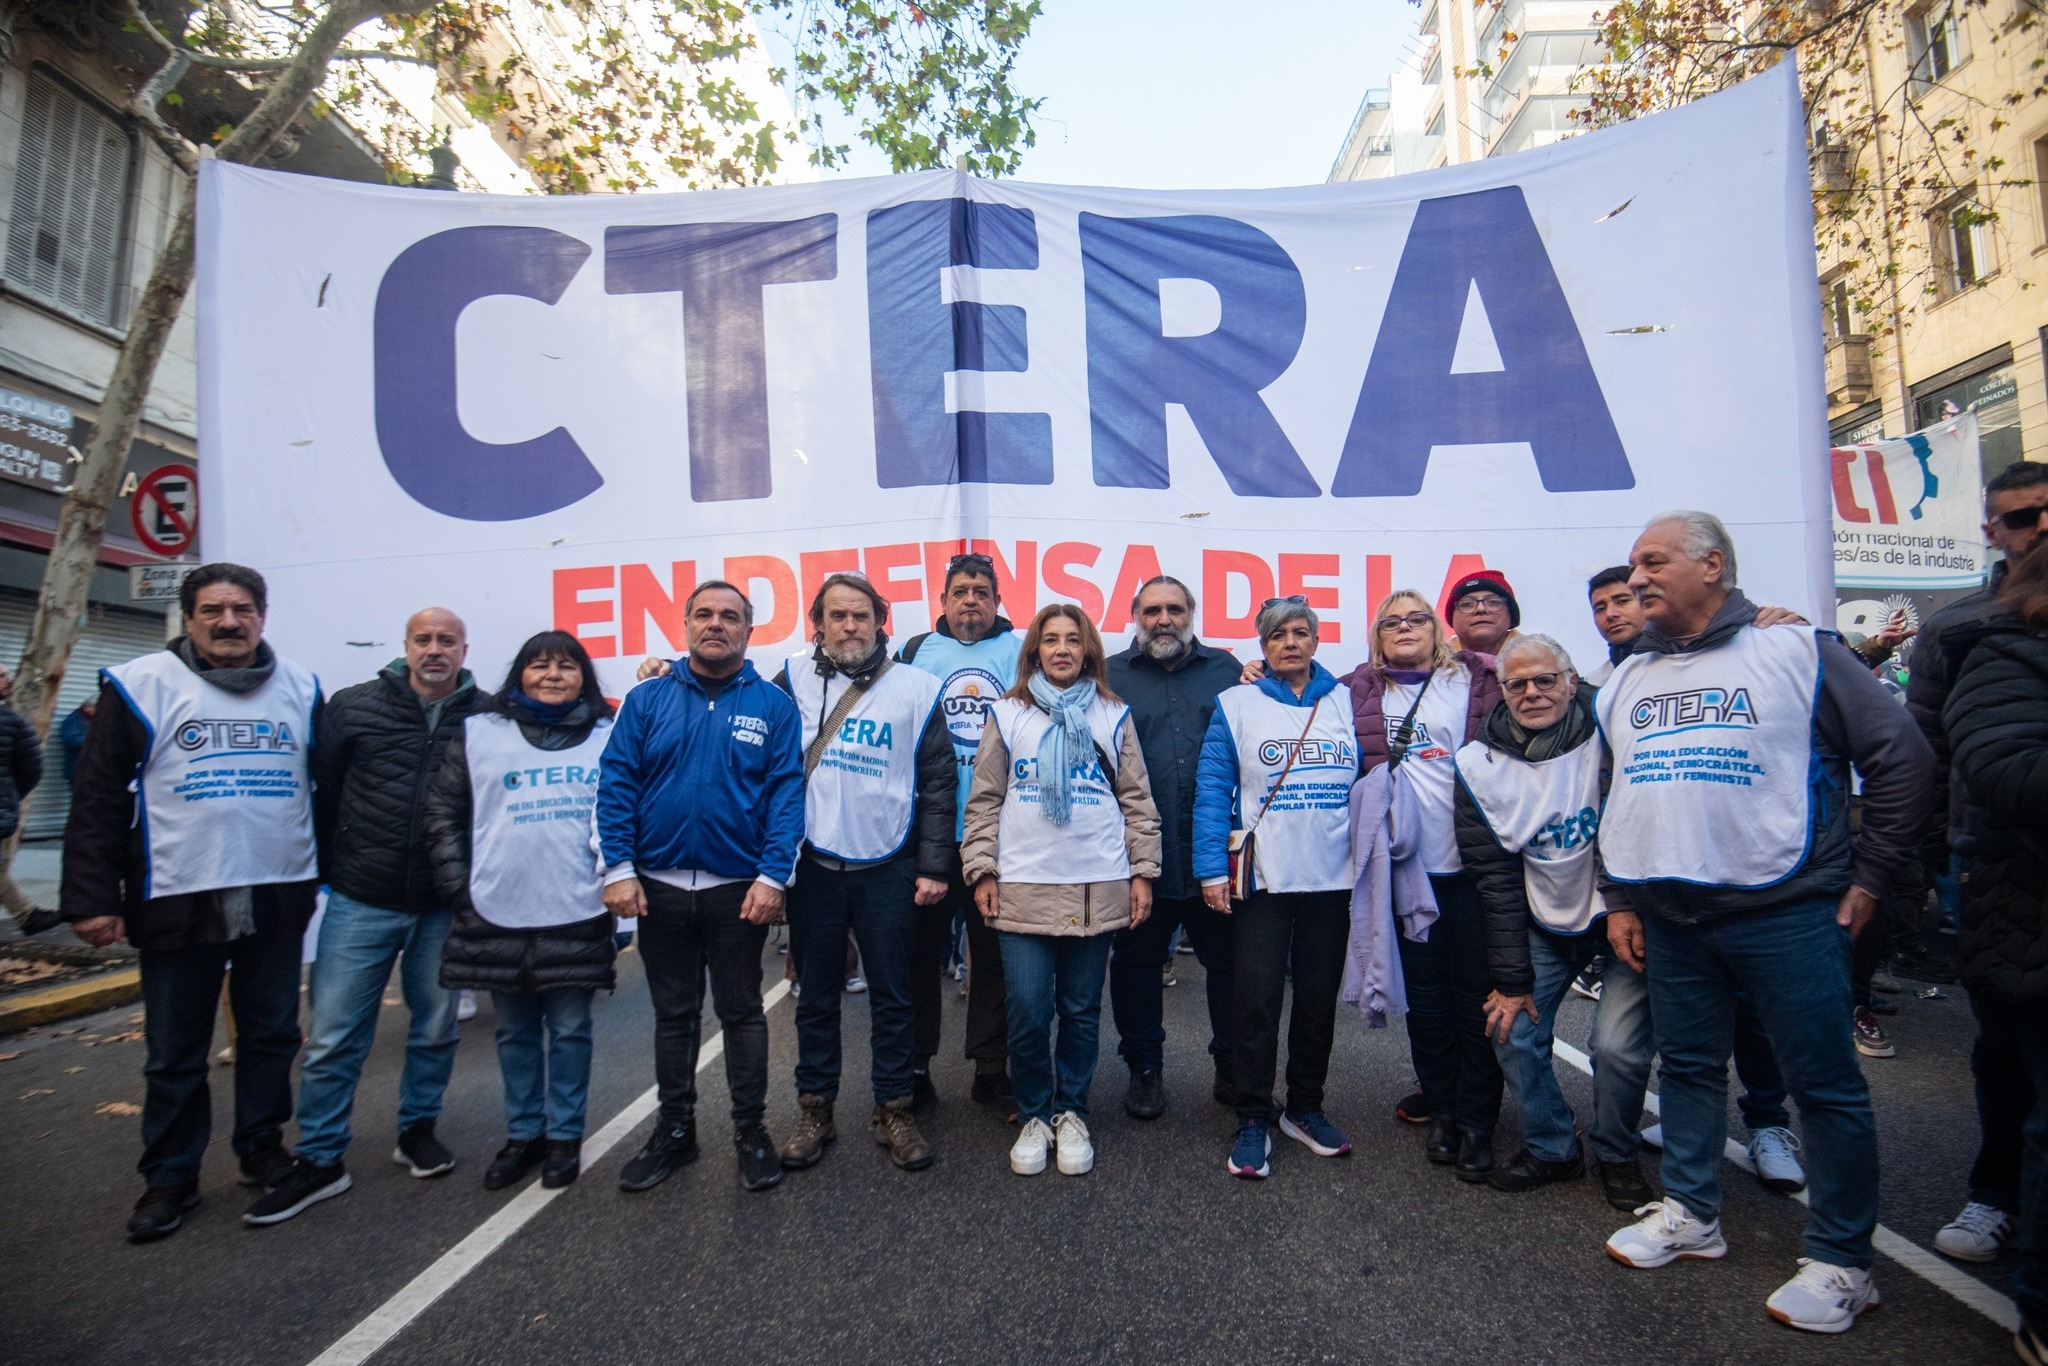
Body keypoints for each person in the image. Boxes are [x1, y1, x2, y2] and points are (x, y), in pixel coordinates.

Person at [1597, 511, 1932, 1336]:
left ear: (1713, 565)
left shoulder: (1798, 649)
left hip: (1785, 911)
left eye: (1653, 562)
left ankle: (1845, 1261)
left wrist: (1873, 876)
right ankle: (1692, 1214)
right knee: (1687, 1069)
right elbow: (1618, 793)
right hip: (1672, 916)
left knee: (1823, 1085)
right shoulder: (1626, 679)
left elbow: (1901, 755)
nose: (1635, 579)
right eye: (1633, 566)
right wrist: (1621, 897)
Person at [62, 564, 321, 1241]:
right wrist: (91, 899)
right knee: (176, 1051)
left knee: (272, 1035)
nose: (228, 622)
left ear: (262, 617)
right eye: (212, 610)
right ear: (189, 618)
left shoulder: (301, 687)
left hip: (274, 891)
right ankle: (171, 1177)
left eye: (241, 610)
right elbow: (97, 797)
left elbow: (324, 786)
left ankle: (262, 1148)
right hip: (178, 894)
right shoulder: (140, 685)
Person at [245, 608, 485, 1226]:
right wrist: (336, 871)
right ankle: (321, 1156)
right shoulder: (353, 707)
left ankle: (418, 1131)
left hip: (441, 901)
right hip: (361, 899)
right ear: (405, 646)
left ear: (464, 650)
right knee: (333, 1035)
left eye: (447, 641)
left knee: (435, 1027)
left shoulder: (486, 717)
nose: (435, 650)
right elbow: (321, 794)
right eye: (423, 640)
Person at [1583, 564, 1809, 1194]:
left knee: (1753, 1017)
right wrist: (1619, 896)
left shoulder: (1750, 646)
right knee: (1675, 1042)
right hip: (1657, 894)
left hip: (1749, 883)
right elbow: (1610, 792)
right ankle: (1685, 1179)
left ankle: (1768, 1124)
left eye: (1624, 599)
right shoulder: (1601, 684)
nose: (1613, 612)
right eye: (1601, 606)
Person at [600, 581, 804, 1194]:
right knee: (674, 1016)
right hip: (657, 888)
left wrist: (773, 876)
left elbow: (787, 796)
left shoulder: (773, 706)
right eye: (705, 614)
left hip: (738, 890)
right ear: (686, 623)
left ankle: (750, 1132)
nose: (716, 624)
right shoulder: (646, 699)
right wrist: (618, 868)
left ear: (749, 630)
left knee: (742, 1012)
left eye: (730, 616)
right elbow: (616, 783)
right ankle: (675, 1131)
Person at [1455, 634, 1655, 1212]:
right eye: (1517, 683)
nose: (1532, 692)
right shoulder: (1477, 764)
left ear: (1571, 680)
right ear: (1501, 690)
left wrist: (1628, 904)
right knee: (1510, 1026)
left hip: (1623, 913)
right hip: (1546, 917)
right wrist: (1511, 979)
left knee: (1616, 1048)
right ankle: (1553, 1147)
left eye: (1545, 679)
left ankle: (1616, 1153)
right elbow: (1494, 878)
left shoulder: (1612, 730)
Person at [962, 604, 1160, 1177]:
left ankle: (1071, 1110)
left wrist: (1143, 872)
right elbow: (984, 800)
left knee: (1079, 1010)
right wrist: (982, 870)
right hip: (1022, 883)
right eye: (1051, 640)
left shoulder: (1114, 715)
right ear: (1035, 651)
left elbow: (1137, 801)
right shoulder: (1008, 714)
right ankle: (1033, 1113)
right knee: (1027, 1010)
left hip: (1097, 883)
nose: (1062, 649)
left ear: (1088, 649)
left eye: (1073, 640)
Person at [1910, 460, 2048, 1264]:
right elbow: (1924, 751)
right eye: (2023, 518)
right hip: (1990, 868)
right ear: (1993, 531)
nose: (2041, 530)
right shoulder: (1961, 627)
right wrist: (1939, 856)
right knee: (2003, 1049)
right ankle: (1995, 1195)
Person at [771, 573, 955, 1175]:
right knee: (816, 998)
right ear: (818, 623)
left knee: (894, 997)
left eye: (860, 615)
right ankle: (814, 1110)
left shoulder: (918, 688)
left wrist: (933, 865)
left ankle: (893, 1109)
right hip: (814, 867)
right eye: (837, 615)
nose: (850, 626)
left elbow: (939, 782)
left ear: (881, 621)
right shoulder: (789, 678)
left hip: (889, 865)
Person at [425, 632, 617, 1193]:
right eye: (540, 666)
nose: (553, 675)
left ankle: (564, 1136)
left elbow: (624, 811)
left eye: (566, 667)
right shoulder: (480, 732)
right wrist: (461, 888)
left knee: (571, 1029)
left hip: (577, 906)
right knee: (514, 1032)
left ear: (584, 678)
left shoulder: (608, 735)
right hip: (495, 908)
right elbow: (443, 813)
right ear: (520, 674)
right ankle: (523, 1134)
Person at [1196, 595, 1359, 1179]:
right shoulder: (1236, 703)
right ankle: (1252, 1117)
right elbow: (1212, 789)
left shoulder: (1347, 699)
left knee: (1317, 1001)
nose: (1290, 642)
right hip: (1264, 880)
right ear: (1262, 647)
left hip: (1333, 880)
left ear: (1315, 641)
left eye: (1300, 633)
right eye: (1277, 635)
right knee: (1256, 1002)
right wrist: (1211, 871)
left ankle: (1305, 1109)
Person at [1344, 589, 1504, 1180]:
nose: (1405, 628)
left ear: (1437, 630)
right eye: (1391, 622)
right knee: (1428, 1002)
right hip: (1405, 874)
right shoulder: (1360, 688)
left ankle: (1478, 1121)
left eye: (1417, 619)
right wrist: (1255, 668)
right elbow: (1297, 685)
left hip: (1471, 870)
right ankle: (1442, 1108)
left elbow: (1555, 679)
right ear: (1377, 637)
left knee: (1476, 999)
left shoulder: (1476, 679)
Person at [1941, 539, 2048, 1361]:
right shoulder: (1996, 649)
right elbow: (1993, 764)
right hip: (2017, 901)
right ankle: (2005, 1219)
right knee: (2012, 1070)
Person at [1105, 575, 1242, 1119]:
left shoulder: (1228, 671)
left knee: (1229, 965)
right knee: (1136, 964)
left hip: (1212, 855)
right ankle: (1144, 1069)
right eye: (1152, 610)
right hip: (1140, 856)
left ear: (1192, 613)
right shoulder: (1108, 676)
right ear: (1135, 616)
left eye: (1175, 609)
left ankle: (1231, 1066)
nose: (1164, 619)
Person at [896, 551, 1022, 1110]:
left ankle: (990, 1069)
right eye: (960, 592)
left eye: (981, 592)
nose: (970, 600)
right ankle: (915, 1066)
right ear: (943, 601)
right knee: (919, 957)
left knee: (994, 958)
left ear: (997, 601)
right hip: (929, 833)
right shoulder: (915, 651)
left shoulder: (1021, 649)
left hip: (999, 834)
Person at [0, 662, 53, 935]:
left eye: (8, 674)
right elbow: (30, 770)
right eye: (2, 676)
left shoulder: (12, 721)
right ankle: (28, 916)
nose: (9, 679)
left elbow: (31, 769)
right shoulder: (13, 721)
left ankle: (27, 916)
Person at [1445, 568, 1519, 658]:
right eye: (1467, 604)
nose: (1481, 609)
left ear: (1510, 615)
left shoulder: (1535, 657)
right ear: (1452, 617)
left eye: (1493, 602)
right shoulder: (1432, 662)